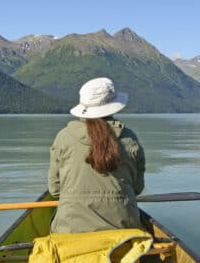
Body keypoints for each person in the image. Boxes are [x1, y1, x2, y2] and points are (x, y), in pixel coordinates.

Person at [48, 77, 145, 233]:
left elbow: (55, 190)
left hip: (69, 229)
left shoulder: (63, 137)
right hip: (124, 229)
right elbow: (137, 188)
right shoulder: (130, 138)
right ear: (113, 107)